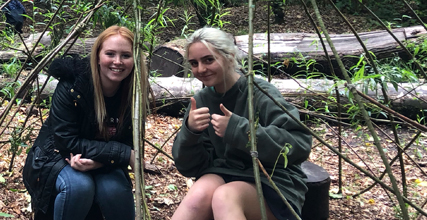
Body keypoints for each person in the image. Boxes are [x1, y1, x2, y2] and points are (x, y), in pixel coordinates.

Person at [170, 27, 312, 220]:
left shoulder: (259, 93)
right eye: (194, 63)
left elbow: (300, 144)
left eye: (208, 60)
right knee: (199, 193)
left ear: (229, 56)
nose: (201, 69)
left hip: (271, 179)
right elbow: (190, 168)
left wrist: (240, 130)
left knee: (224, 197)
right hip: (225, 172)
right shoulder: (201, 101)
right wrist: (190, 132)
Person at [23, 25, 144, 220]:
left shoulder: (134, 93)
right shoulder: (73, 84)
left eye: (126, 56)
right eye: (110, 54)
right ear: (97, 56)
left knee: (115, 191)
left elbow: (131, 143)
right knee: (78, 187)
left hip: (102, 160)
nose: (117, 62)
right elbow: (66, 142)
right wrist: (122, 154)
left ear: (134, 60)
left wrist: (99, 162)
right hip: (56, 156)